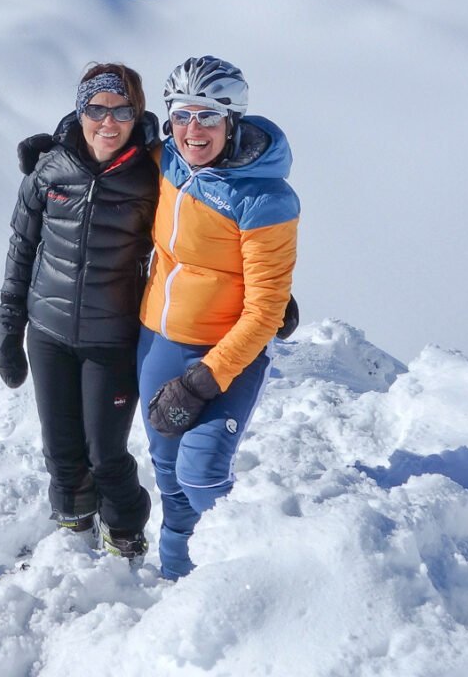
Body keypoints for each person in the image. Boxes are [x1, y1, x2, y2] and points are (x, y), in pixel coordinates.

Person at [138, 55, 298, 580]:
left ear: (233, 120)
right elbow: (105, 136)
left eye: (208, 115)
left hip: (226, 352)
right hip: (157, 340)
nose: (193, 129)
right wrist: (60, 145)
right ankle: (177, 574)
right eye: (181, 115)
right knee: (166, 469)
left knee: (201, 474)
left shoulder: (264, 196)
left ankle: (266, 569)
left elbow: (265, 309)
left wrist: (203, 380)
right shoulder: (169, 162)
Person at [0, 63, 158, 558]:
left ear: (138, 114)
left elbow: (202, 237)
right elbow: (22, 246)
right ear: (80, 109)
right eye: (97, 108)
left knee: (106, 455)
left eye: (122, 111)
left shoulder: (154, 177)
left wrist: (269, 293)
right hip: (47, 332)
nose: (108, 122)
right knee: (62, 452)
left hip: (111, 338)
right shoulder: (52, 169)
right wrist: (9, 330)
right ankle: (73, 537)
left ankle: (126, 538)